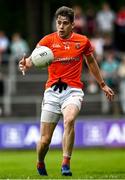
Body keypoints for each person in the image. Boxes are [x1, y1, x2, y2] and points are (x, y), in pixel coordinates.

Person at [19, 6, 114, 176]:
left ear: (72, 25)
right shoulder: (47, 41)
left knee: (69, 120)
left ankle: (65, 163)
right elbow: (33, 59)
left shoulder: (82, 41)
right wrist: (26, 63)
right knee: (45, 140)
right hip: (52, 92)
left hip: (73, 91)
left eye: (64, 23)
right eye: (58, 23)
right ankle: (40, 161)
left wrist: (102, 84)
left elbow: (91, 63)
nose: (61, 26)